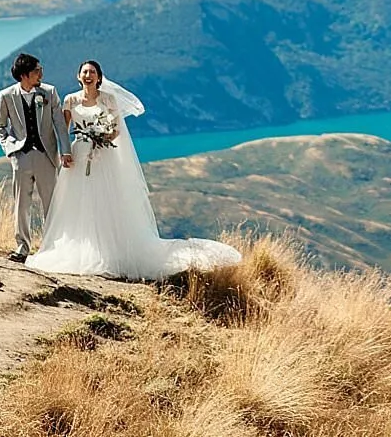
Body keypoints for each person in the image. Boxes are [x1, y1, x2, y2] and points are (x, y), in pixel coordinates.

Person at [26, 60, 242, 279]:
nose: (88, 75)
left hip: (104, 156)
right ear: (78, 76)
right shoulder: (70, 100)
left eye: (92, 72)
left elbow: (117, 129)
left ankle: (111, 251)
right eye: (84, 72)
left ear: (99, 77)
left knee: (105, 199)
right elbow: (64, 129)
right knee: (77, 201)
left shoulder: (108, 99)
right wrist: (66, 153)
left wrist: (102, 138)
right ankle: (82, 247)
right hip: (79, 155)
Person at [0, 52, 71, 262]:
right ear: (25, 75)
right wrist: (11, 149)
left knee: (51, 204)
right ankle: (22, 248)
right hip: (21, 157)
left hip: (46, 155)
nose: (41, 73)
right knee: (21, 204)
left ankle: (54, 247)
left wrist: (65, 151)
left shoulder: (49, 92)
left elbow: (59, 124)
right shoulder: (6, 96)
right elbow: (0, 126)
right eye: (37, 70)